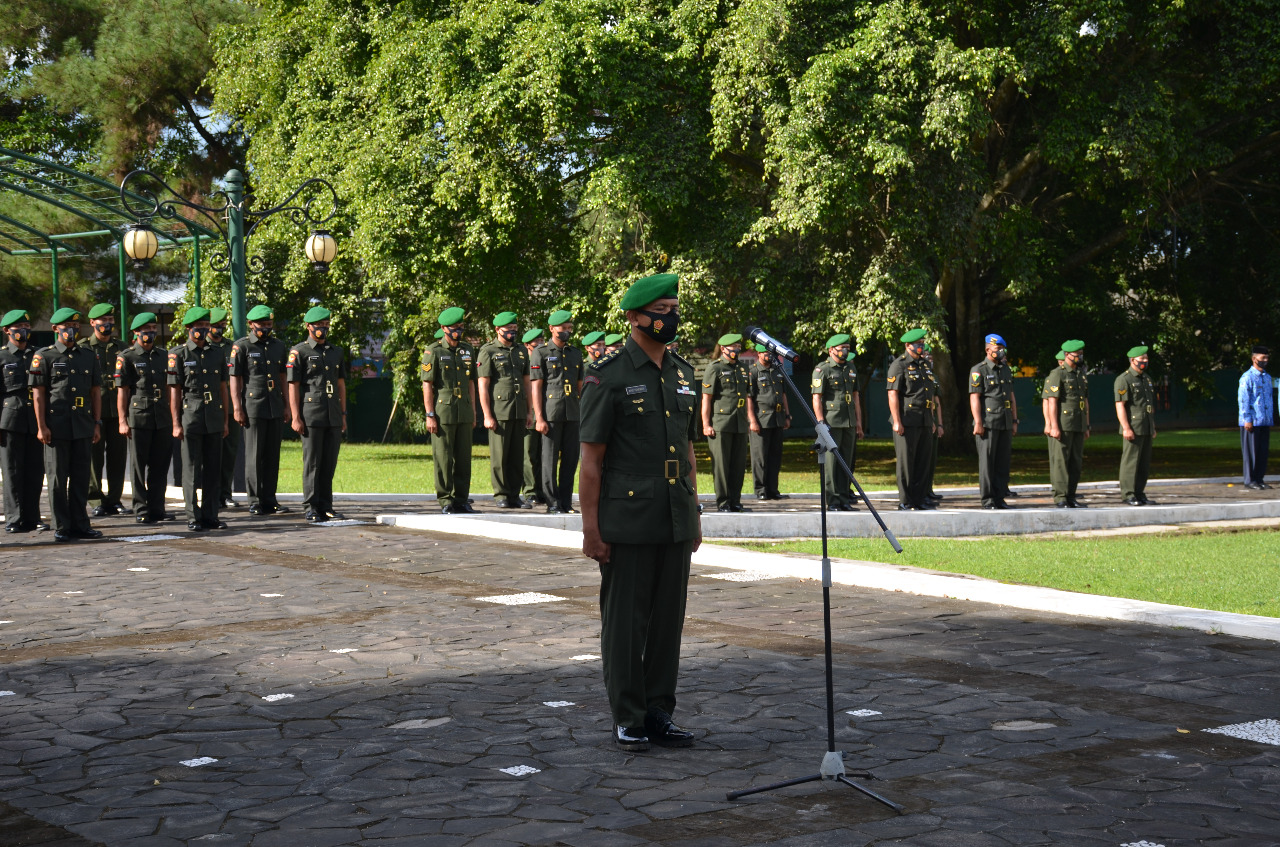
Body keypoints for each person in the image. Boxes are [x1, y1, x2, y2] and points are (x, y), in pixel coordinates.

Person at [580, 272, 700, 752]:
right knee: (627, 622)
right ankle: (627, 715)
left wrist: (694, 514)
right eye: (662, 310)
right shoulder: (608, 376)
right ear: (635, 317)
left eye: (674, 309)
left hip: (674, 514)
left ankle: (658, 712)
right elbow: (591, 461)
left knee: (668, 620)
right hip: (627, 518)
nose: (670, 318)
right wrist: (591, 529)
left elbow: (688, 449)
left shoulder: (683, 372)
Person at [30, 307, 104, 542]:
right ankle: (62, 525)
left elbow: (95, 392)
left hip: (82, 425)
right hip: (57, 427)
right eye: (66, 327)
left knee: (81, 478)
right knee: (57, 479)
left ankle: (81, 523)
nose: (71, 331)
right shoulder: (45, 356)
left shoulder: (88, 356)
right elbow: (38, 394)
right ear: (55, 329)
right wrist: (41, 426)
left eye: (75, 327)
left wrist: (96, 423)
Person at [169, 307, 229, 531]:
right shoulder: (179, 354)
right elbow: (175, 390)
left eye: (206, 325)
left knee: (214, 468)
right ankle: (193, 516)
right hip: (191, 416)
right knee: (192, 468)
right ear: (188, 328)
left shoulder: (217, 353)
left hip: (213, 415)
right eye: (199, 326)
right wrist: (175, 422)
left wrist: (224, 419)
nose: (203, 329)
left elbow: (223, 387)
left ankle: (211, 515)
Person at [230, 304, 292, 515]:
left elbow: (282, 376)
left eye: (269, 324)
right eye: (262, 324)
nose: (266, 328)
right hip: (253, 406)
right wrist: (237, 407)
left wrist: (287, 404)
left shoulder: (278, 346)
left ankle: (270, 499)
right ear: (251, 324)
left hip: (274, 405)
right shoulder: (242, 347)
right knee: (255, 454)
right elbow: (235, 379)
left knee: (272, 455)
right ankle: (255, 500)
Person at [288, 306, 347, 523]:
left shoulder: (336, 351)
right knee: (313, 462)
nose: (323, 328)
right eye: (318, 325)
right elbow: (293, 385)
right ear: (308, 327)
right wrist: (295, 416)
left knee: (329, 461)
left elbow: (341, 384)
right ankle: (311, 506)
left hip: (332, 413)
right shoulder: (299, 352)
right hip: (311, 413)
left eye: (326, 324)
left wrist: (343, 414)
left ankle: (326, 505)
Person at [115, 312, 173, 524]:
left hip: (162, 416)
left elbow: (169, 387)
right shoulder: (127, 357)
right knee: (139, 465)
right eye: (146, 330)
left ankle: (158, 507)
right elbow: (123, 391)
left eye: (153, 329)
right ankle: (141, 508)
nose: (150, 333)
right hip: (139, 416)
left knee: (160, 465)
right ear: (136, 333)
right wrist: (122, 420)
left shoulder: (163, 355)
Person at [422, 307, 477, 514]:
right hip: (443, 411)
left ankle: (462, 499)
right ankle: (445, 499)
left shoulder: (467, 350)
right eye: (455, 327)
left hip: (463, 410)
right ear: (444, 328)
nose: (459, 330)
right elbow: (427, 384)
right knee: (443, 457)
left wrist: (473, 409)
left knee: (463, 458)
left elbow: (471, 381)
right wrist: (429, 415)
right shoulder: (433, 351)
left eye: (461, 326)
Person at [531, 309, 584, 514]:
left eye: (570, 328)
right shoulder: (541, 352)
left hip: (572, 412)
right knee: (549, 460)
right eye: (564, 328)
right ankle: (552, 503)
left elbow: (580, 386)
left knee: (570, 459)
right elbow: (536, 386)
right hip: (551, 413)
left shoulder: (575, 353)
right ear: (552, 329)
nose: (567, 332)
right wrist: (539, 417)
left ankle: (565, 502)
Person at [478, 311, 533, 509]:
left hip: (519, 409)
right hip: (499, 410)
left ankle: (514, 495)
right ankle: (501, 494)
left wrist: (529, 411)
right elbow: (483, 385)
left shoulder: (520, 351)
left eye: (514, 328)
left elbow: (527, 382)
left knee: (517, 455)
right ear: (497, 330)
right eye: (508, 329)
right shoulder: (488, 351)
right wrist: (487, 415)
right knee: (500, 456)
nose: (512, 332)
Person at [1, 309, 47, 532]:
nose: (24, 331)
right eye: (19, 327)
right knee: (12, 471)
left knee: (35, 470)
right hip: (10, 419)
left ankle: (33, 516)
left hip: (35, 419)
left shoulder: (38, 354)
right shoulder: (2, 357)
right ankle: (14, 517)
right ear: (7, 330)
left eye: (27, 327)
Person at [811, 333, 863, 511]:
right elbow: (817, 398)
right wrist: (820, 423)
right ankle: (833, 500)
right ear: (832, 350)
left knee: (845, 463)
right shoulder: (823, 369)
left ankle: (843, 499)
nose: (845, 352)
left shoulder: (851, 368)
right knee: (832, 463)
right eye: (842, 349)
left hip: (849, 421)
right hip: (831, 422)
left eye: (848, 348)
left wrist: (858, 423)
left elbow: (855, 396)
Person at [887, 329, 937, 511]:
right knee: (906, 462)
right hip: (907, 420)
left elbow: (929, 394)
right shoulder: (898, 365)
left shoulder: (924, 365)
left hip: (924, 419)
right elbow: (893, 394)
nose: (921, 347)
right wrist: (897, 421)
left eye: (922, 343)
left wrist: (931, 420)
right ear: (908, 346)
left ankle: (920, 498)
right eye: (918, 344)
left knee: (923, 461)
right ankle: (905, 500)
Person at [702, 333, 753, 512]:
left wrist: (748, 420)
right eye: (734, 347)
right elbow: (707, 399)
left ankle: (735, 500)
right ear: (723, 349)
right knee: (722, 465)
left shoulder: (741, 368)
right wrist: (706, 424)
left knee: (738, 465)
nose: (737, 350)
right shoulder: (714, 369)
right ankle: (723, 502)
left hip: (739, 422)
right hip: (721, 423)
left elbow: (746, 396)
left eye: (739, 347)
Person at [85, 303, 128, 517]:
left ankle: (114, 499)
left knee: (118, 457)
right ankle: (95, 499)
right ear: (93, 322)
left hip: (118, 411)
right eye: (103, 321)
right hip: (95, 411)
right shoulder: (86, 348)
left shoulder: (122, 347)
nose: (108, 324)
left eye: (111, 321)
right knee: (94, 458)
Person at [969, 333, 1018, 510]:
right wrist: (978, 422)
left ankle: (1000, 497)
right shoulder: (979, 370)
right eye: (998, 349)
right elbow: (975, 397)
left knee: (1002, 463)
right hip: (988, 423)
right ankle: (988, 499)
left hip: (1004, 421)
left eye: (1002, 349)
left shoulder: (1005, 369)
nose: (1001, 352)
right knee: (987, 464)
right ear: (988, 349)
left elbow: (1011, 396)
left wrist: (1014, 420)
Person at [1042, 339, 1090, 508]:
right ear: (1067, 355)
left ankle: (1071, 495)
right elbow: (1051, 402)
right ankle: (1060, 496)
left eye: (1081, 354)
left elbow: (1085, 401)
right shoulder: (1058, 374)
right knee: (1061, 462)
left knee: (1075, 461)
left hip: (1078, 423)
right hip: (1063, 424)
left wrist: (1087, 425)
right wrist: (1053, 425)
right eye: (1077, 354)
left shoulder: (1080, 374)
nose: (1080, 357)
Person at [1114, 345, 1157, 506]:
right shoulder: (1124, 379)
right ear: (1133, 360)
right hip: (1133, 425)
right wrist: (1126, 427)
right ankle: (1128, 493)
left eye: (1146, 358)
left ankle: (1139, 492)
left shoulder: (1146, 379)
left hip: (1146, 425)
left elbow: (1149, 406)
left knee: (1144, 463)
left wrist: (1152, 426)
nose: (1145, 361)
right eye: (1142, 359)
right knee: (1131, 461)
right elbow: (1120, 405)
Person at [748, 344, 791, 501]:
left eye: (771, 353)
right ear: (759, 353)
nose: (769, 355)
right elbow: (749, 399)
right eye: (766, 352)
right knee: (760, 457)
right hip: (761, 419)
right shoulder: (753, 372)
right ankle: (760, 489)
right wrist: (752, 420)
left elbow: (784, 394)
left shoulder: (778, 371)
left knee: (775, 456)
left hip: (777, 418)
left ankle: (773, 489)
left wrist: (787, 415)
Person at [209, 308, 240, 508]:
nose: (220, 329)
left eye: (223, 325)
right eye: (216, 326)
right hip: (209, 406)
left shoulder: (232, 347)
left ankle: (225, 494)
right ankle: (210, 494)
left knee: (229, 453)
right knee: (210, 454)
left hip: (230, 406)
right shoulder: (204, 347)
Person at [1238, 344, 1273, 490]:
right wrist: (1247, 418)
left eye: (1266, 358)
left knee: (1262, 451)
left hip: (1265, 420)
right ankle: (1249, 480)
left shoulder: (1267, 377)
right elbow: (1244, 399)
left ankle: (1259, 478)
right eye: (1262, 357)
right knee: (1251, 452)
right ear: (1254, 359)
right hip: (1252, 421)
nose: (1265, 360)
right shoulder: (1247, 377)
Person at [521, 328, 546, 505]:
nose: (540, 344)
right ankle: (530, 490)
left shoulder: (545, 361)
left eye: (541, 341)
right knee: (529, 454)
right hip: (529, 414)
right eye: (536, 342)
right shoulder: (524, 363)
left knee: (544, 454)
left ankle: (542, 489)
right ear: (527, 345)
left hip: (544, 413)